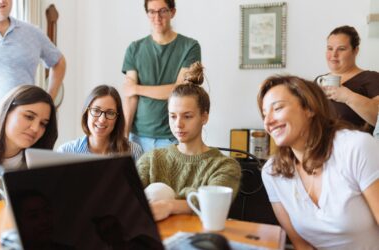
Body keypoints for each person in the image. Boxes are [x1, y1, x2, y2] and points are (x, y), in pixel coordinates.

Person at [258, 75, 379, 249]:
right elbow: (302, 246)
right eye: (264, 114)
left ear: (309, 108)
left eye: (277, 108)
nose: (268, 121)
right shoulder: (272, 172)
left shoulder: (355, 147)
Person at [137, 62, 241, 221]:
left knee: (160, 191)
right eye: (173, 116)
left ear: (204, 117)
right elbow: (126, 199)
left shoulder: (225, 166)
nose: (178, 124)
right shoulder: (151, 160)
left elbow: (213, 204)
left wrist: (169, 205)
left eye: (187, 116)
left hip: (199, 241)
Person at [0, 0, 66, 128]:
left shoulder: (32, 32)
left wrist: (48, 101)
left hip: (25, 130)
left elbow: (59, 61)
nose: (1, 1)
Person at [122, 0, 201, 153]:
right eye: (152, 11)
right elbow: (130, 97)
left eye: (162, 11)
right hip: (137, 138)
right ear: (147, 14)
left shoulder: (190, 47)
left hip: (172, 137)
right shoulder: (134, 49)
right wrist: (124, 136)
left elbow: (179, 90)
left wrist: (137, 88)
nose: (157, 17)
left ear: (172, 12)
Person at [0, 85, 58, 208]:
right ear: (6, 111)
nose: (36, 128)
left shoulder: (36, 163)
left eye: (43, 124)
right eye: (29, 116)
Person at [316, 25, 379, 132]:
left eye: (341, 49)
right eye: (330, 48)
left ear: (355, 51)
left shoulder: (371, 78)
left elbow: (377, 118)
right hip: (323, 146)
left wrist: (347, 97)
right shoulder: (319, 80)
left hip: (356, 147)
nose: (334, 54)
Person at [57, 85, 143, 162]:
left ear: (117, 118)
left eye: (110, 113)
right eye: (96, 110)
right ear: (86, 113)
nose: (102, 120)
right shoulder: (65, 152)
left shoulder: (133, 151)